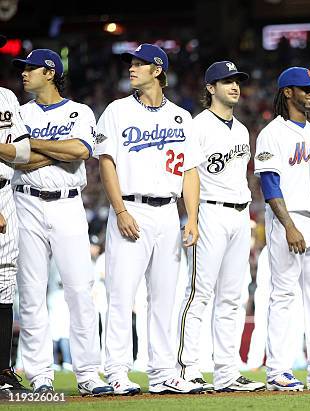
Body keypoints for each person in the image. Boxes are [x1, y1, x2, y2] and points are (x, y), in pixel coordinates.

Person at [95, 43, 203, 395]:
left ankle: (162, 372)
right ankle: (116, 371)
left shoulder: (182, 117)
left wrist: (192, 218)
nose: (132, 68)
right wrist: (121, 210)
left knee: (164, 298)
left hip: (168, 213)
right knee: (121, 295)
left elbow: (189, 171)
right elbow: (106, 163)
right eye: (131, 63)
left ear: (158, 70)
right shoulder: (117, 110)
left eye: (140, 64)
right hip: (131, 208)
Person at [11, 48, 113, 396]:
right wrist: (55, 150)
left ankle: (88, 373)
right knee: (31, 294)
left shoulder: (78, 111)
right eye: (22, 70)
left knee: (80, 290)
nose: (24, 74)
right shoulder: (17, 113)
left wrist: (33, 145)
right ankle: (39, 373)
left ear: (51, 72)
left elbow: (81, 152)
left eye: (30, 69)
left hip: (68, 204)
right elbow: (16, 160)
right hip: (24, 202)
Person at [253, 66, 310, 391]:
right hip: (288, 220)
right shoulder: (272, 134)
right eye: (306, 88)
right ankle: (277, 370)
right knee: (283, 296)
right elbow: (269, 183)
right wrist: (290, 226)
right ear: (288, 92)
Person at [176, 60, 264, 392]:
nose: (234, 86)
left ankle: (227, 371)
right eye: (226, 81)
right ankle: (187, 368)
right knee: (199, 293)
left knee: (233, 296)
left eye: (237, 81)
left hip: (240, 216)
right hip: (210, 214)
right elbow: (191, 175)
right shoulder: (197, 125)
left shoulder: (241, 129)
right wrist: (193, 219)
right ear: (210, 88)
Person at [0, 33, 33, 397]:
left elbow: (22, 154)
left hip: (5, 191)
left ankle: (3, 372)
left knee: (5, 284)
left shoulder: (7, 97)